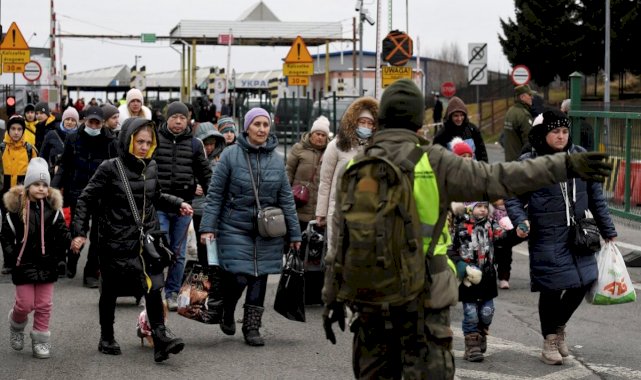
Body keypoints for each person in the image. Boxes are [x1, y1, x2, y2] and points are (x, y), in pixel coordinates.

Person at [321, 79, 614, 379]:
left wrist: (332, 296)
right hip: (425, 298)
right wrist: (565, 165)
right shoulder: (433, 161)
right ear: (418, 120)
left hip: (370, 300)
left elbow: (339, 238)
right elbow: (500, 177)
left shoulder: (354, 168)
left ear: (381, 119)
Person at [71, 117, 192, 362]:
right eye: (140, 141)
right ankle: (106, 337)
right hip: (114, 241)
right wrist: (79, 232)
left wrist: (178, 203)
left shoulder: (152, 166)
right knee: (111, 291)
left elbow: (156, 195)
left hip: (144, 240)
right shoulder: (109, 168)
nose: (145, 146)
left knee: (153, 287)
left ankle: (160, 339)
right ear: (128, 139)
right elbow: (85, 199)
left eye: (149, 142)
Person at [505, 109, 617, 365]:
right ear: (543, 133)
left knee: (584, 282)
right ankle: (549, 342)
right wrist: (520, 220)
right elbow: (513, 196)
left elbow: (596, 197)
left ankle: (558, 329)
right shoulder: (529, 162)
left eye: (565, 131)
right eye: (555, 131)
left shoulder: (579, 157)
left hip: (580, 233)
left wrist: (608, 230)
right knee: (552, 288)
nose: (561, 136)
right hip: (547, 234)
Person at [199, 108, 302, 347]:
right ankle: (228, 308)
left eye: (265, 125)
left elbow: (286, 198)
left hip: (267, 230)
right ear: (247, 127)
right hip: (234, 226)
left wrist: (295, 233)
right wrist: (208, 227)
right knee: (238, 276)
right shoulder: (230, 156)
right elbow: (215, 195)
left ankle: (251, 326)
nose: (262, 129)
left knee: (260, 276)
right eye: (257, 124)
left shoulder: (277, 160)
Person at [2, 158, 70, 359]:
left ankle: (40, 341)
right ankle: (16, 324)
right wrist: (11, 256)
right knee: (25, 304)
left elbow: (61, 233)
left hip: (47, 264)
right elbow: (6, 235)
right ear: (28, 185)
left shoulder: (53, 211)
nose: (41, 189)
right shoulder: (15, 211)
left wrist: (71, 242)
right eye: (37, 184)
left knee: (44, 305)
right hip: (22, 264)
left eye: (45, 185)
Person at [154, 102, 212, 311]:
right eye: (174, 117)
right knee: (161, 248)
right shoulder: (155, 139)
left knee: (178, 253)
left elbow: (206, 174)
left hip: (184, 207)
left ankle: (172, 293)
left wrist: (213, 198)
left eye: (182, 117)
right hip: (159, 204)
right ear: (167, 118)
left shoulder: (195, 144)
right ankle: (154, 291)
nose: (178, 121)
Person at [51, 106, 118, 284]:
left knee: (98, 235)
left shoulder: (111, 141)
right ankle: (72, 261)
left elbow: (117, 169)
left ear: (103, 123)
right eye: (91, 122)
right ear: (84, 121)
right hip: (78, 193)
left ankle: (90, 272)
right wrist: (53, 189)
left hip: (102, 195)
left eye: (97, 123)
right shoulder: (73, 138)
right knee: (77, 229)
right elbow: (64, 166)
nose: (94, 126)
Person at [448, 201, 515, 363]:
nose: (483, 210)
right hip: (469, 276)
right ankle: (472, 346)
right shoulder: (459, 225)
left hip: (487, 276)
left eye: (485, 207)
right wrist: (461, 266)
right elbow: (450, 248)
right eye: (479, 206)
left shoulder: (491, 224)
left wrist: (514, 231)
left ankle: (482, 332)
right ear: (470, 208)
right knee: (470, 313)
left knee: (487, 312)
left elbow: (504, 238)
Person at [315, 97, 378, 267]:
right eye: (361, 122)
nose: (365, 126)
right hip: (338, 211)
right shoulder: (336, 145)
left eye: (369, 123)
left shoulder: (376, 149)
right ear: (354, 122)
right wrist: (320, 211)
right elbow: (325, 181)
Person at [286, 115, 329, 305]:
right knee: (300, 252)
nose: (320, 138)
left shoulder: (330, 152)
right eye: (317, 134)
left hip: (320, 212)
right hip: (299, 209)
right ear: (311, 134)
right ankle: (296, 290)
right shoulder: (298, 150)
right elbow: (288, 173)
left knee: (318, 255)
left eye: (323, 135)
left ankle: (314, 294)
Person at [191, 122, 226, 267]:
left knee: (217, 247)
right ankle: (204, 277)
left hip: (217, 210)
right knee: (203, 248)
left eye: (212, 144)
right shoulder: (193, 158)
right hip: (199, 210)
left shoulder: (222, 159)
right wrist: (193, 186)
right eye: (206, 144)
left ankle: (215, 277)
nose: (209, 147)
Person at [433, 96, 488, 162]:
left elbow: (482, 153)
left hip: (473, 170)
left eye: (462, 115)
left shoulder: (472, 129)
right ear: (450, 116)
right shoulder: (442, 134)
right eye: (456, 115)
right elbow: (437, 159)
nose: (459, 118)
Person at [39, 107, 79, 177]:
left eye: (73, 120)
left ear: (76, 123)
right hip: (52, 176)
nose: (70, 122)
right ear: (63, 120)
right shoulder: (51, 134)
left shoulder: (79, 137)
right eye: (67, 119)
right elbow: (42, 156)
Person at [503, 84, 534, 162]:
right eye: (529, 95)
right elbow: (529, 141)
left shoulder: (510, 111)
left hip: (509, 161)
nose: (532, 97)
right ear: (522, 97)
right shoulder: (523, 115)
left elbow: (502, 138)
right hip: (520, 163)